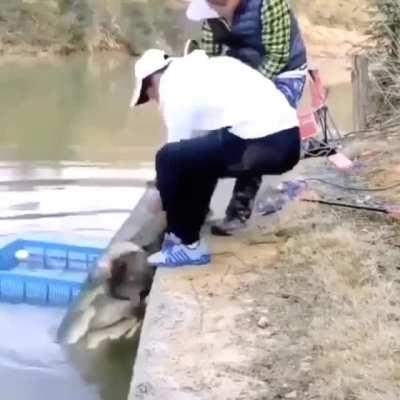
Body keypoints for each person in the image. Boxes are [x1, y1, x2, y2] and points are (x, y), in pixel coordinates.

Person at [129, 48, 300, 267]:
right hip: (287, 141)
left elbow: (175, 153)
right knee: (201, 159)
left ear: (152, 81)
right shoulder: (205, 69)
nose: (154, 100)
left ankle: (185, 245)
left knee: (167, 159)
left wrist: (162, 191)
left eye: (149, 95)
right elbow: (198, 151)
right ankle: (193, 232)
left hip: (263, 142)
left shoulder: (173, 87)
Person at [185, 0, 307, 235]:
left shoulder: (270, 3)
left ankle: (238, 212)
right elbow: (209, 56)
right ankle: (198, 206)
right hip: (243, 66)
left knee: (259, 128)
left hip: (283, 70)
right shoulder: (209, 11)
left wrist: (246, 93)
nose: (214, 11)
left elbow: (278, 56)